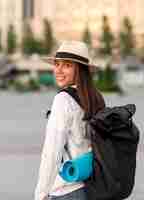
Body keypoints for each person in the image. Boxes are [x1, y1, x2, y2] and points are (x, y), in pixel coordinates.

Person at [34, 41, 105, 200]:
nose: (58, 70)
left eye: (66, 65)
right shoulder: (96, 98)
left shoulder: (63, 100)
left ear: (79, 70)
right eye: (57, 64)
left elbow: (51, 152)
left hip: (66, 190)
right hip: (92, 188)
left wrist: (40, 194)